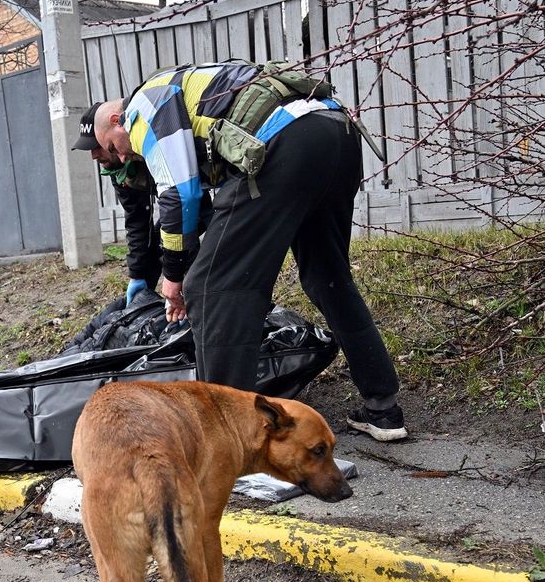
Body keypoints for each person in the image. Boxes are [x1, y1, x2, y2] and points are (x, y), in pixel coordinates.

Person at [93, 61, 407, 441]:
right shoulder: (193, 96)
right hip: (335, 133)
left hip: (284, 142)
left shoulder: (145, 105)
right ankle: (383, 409)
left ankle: (227, 441)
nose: (123, 159)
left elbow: (180, 194)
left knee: (213, 290)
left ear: (116, 119)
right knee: (328, 277)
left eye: (113, 147)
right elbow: (212, 216)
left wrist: (174, 278)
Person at [72, 103, 162, 305]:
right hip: (179, 205)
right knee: (154, 250)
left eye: (96, 147)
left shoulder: (146, 148)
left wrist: (176, 276)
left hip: (204, 196)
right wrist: (137, 275)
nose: (94, 155)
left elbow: (181, 206)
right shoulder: (119, 171)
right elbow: (137, 221)